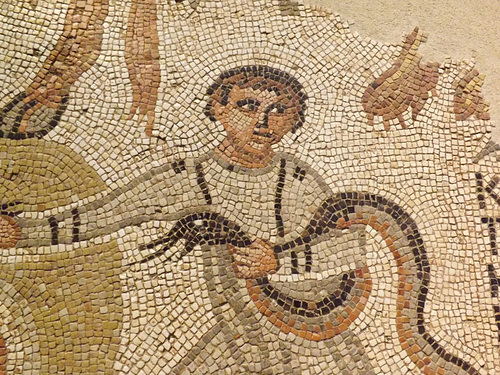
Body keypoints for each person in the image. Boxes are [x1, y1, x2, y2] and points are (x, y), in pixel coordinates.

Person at [2, 65, 479, 374]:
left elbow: (346, 249)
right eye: (248, 106)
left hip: (312, 341)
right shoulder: (187, 177)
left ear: (293, 122)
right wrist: (23, 231)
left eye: (278, 111)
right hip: (237, 338)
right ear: (219, 109)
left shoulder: (296, 179)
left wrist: (278, 262)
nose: (263, 121)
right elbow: (107, 213)